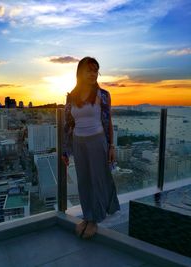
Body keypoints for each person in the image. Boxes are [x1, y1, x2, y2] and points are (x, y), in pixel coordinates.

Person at [62, 56, 120, 239]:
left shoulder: (103, 95)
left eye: (96, 70)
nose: (93, 73)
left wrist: (111, 145)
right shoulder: (71, 97)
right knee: (84, 181)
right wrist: (65, 149)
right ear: (80, 72)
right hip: (78, 142)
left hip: (97, 141)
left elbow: (108, 121)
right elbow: (67, 125)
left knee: (98, 180)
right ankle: (87, 216)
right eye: (89, 70)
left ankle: (95, 219)